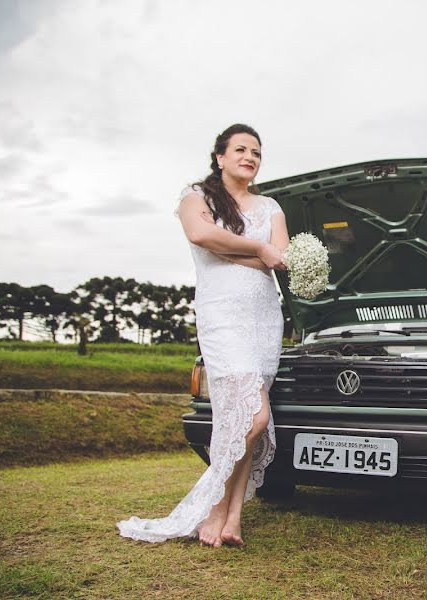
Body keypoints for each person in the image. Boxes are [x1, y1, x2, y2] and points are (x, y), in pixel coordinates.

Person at [118, 123, 288, 547]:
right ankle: (210, 509)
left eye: (256, 153)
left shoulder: (271, 206)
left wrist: (244, 252)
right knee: (255, 417)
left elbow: (280, 256)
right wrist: (257, 251)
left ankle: (232, 520)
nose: (249, 157)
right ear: (220, 157)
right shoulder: (197, 197)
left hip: (264, 317)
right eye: (241, 150)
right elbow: (201, 234)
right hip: (224, 315)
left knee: (240, 417)